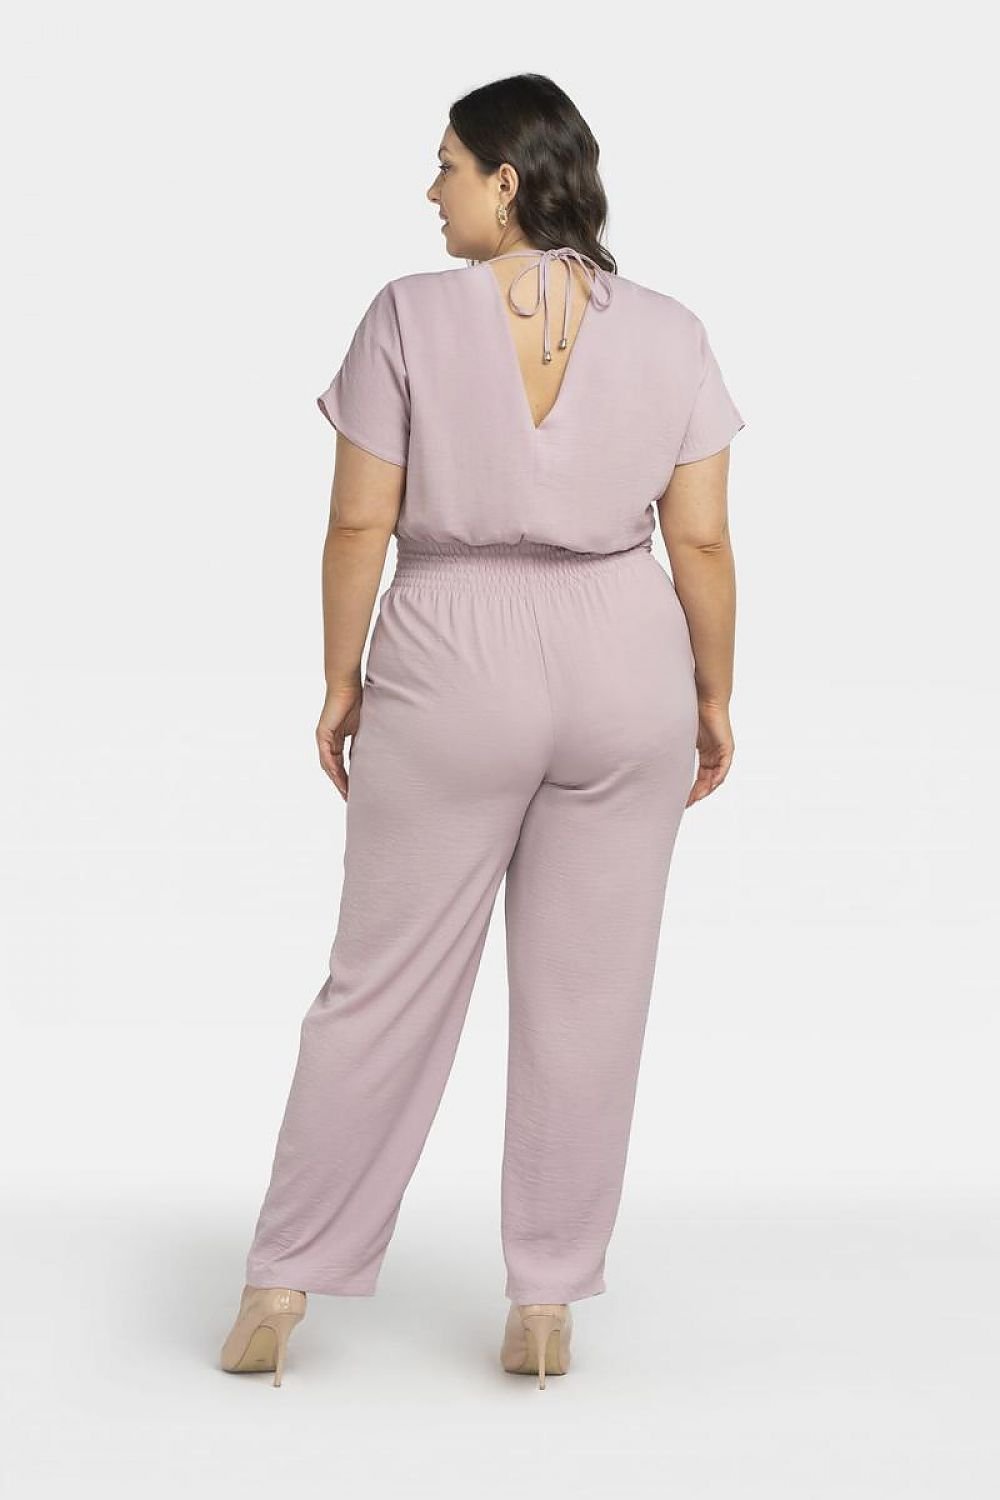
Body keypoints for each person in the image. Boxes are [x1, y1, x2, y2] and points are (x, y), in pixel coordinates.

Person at [220, 72, 746, 1389]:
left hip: (453, 655)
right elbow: (698, 540)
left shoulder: (407, 315)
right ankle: (547, 1303)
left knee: (380, 985)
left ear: (507, 182)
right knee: (589, 997)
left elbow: (359, 520)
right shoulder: (674, 332)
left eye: (448, 166)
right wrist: (711, 694)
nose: (432, 189)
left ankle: (283, 1281)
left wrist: (340, 679)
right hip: (625, 654)